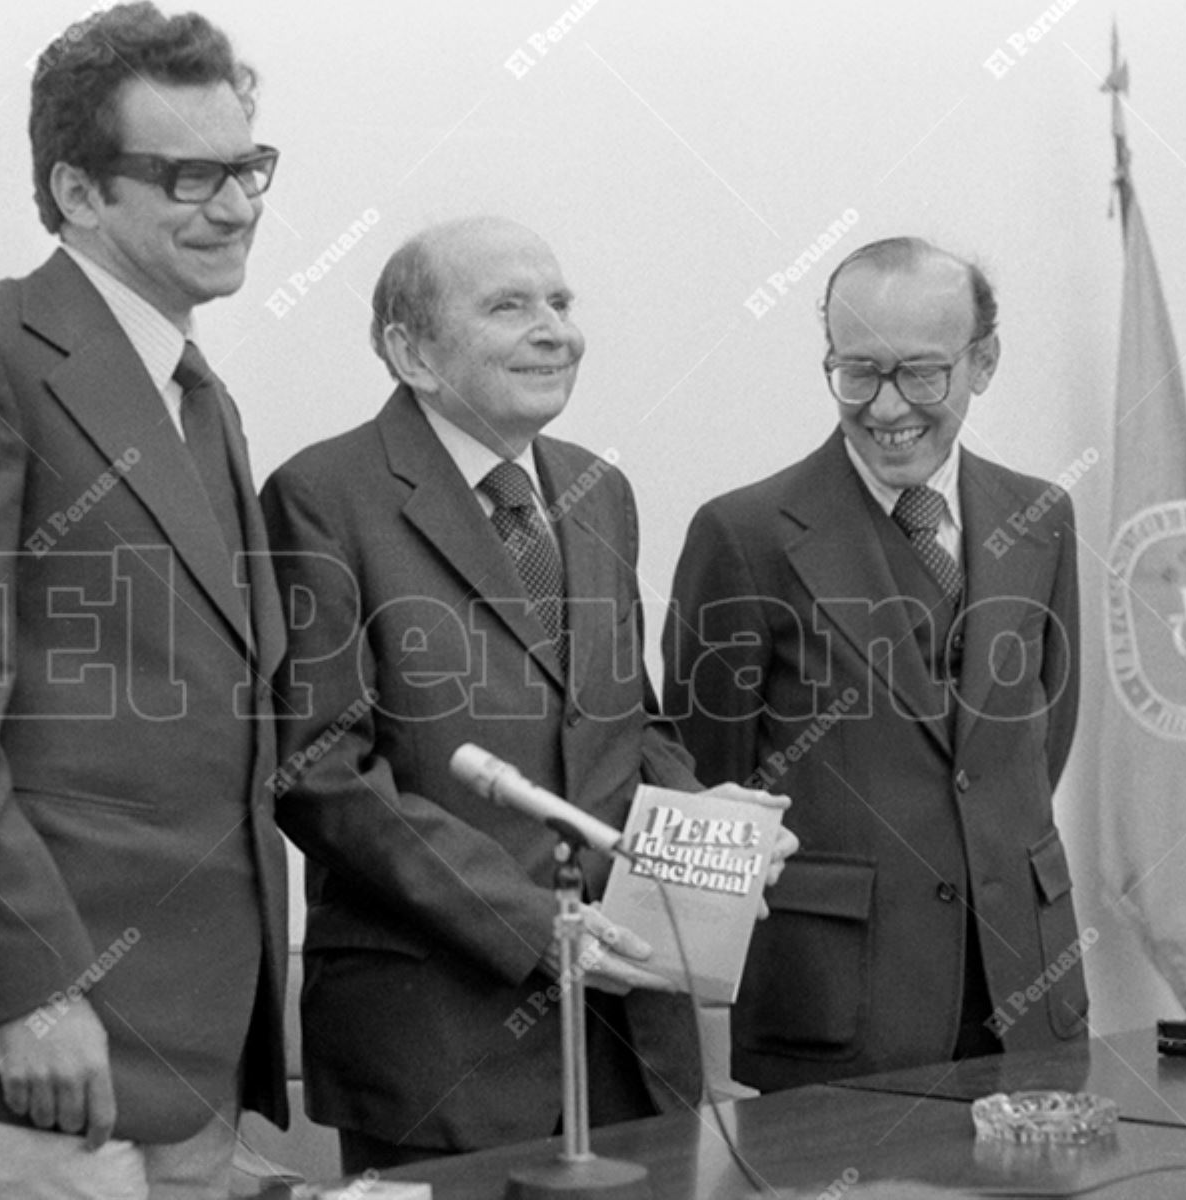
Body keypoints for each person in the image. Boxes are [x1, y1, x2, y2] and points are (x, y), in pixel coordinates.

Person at [0, 6, 291, 1194]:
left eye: (247, 166)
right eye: (190, 175)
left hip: (209, 1038)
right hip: (67, 1040)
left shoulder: (201, 395)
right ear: (78, 191)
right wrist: (29, 990)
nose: (239, 204)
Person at [261, 217, 795, 1172]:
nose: (556, 330)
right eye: (510, 306)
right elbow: (322, 771)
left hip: (633, 1038)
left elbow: (635, 721)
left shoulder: (599, 490)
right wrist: (529, 925)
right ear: (410, 351)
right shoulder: (321, 494)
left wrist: (700, 828)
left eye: (560, 302)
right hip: (443, 1045)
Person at [665, 237, 1087, 1094]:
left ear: (985, 361)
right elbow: (709, 788)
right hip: (834, 1016)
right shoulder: (744, 536)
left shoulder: (1040, 517)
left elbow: (1041, 741)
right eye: (858, 373)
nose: (887, 406)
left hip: (1025, 994)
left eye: (921, 374)